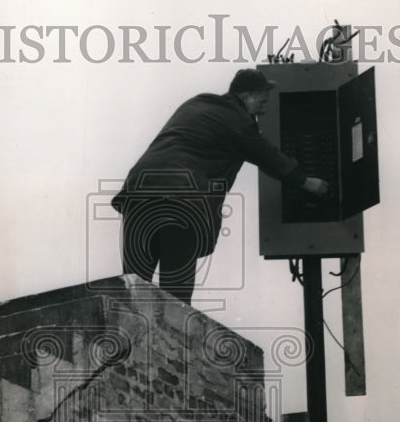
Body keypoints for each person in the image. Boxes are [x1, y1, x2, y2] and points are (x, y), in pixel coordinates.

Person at [111, 68, 329, 304]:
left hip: (138, 195)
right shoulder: (236, 119)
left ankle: (128, 337)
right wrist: (307, 182)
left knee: (132, 286)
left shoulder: (198, 104)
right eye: (261, 101)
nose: (263, 109)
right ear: (246, 96)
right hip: (182, 198)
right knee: (176, 294)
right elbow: (267, 156)